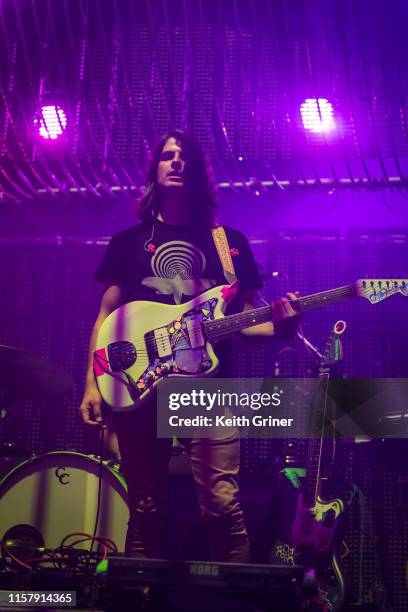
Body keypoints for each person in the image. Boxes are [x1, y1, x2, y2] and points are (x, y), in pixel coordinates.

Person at [79, 129, 299, 562]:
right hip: (138, 386)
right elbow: (106, 316)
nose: (176, 162)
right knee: (145, 508)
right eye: (167, 156)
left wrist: (283, 328)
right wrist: (92, 383)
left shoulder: (229, 244)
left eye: (185, 157)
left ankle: (232, 597)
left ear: (199, 172)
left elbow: (246, 324)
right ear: (155, 171)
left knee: (221, 506)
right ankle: (138, 600)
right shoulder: (127, 243)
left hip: (207, 386)